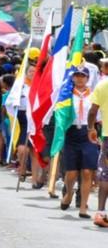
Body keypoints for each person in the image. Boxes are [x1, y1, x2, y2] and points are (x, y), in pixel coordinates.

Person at [60, 67, 99, 219]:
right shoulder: (66, 94)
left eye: (83, 76)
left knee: (88, 171)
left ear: (88, 78)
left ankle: (83, 207)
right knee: (71, 173)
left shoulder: (94, 95)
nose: (80, 79)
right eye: (77, 76)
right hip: (71, 133)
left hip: (88, 133)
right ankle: (69, 193)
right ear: (73, 78)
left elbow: (99, 114)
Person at [88, 77, 108, 227]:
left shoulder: (103, 85)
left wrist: (91, 128)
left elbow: (93, 110)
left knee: (106, 176)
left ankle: (101, 212)